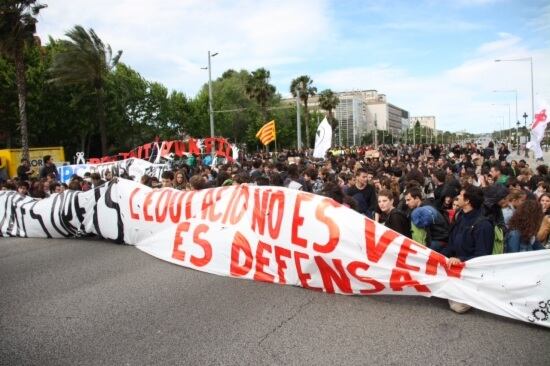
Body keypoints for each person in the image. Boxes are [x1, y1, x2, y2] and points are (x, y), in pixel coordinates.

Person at [442, 186, 494, 313]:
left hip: (469, 269)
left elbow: (482, 257)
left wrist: (460, 260)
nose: (458, 197)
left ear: (467, 201)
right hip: (454, 262)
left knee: (458, 307)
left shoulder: (483, 226)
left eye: (460, 195)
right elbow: (452, 242)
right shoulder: (461, 216)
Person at [405, 186, 449, 252]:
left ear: (417, 198)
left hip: (437, 241)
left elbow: (422, 227)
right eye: (406, 200)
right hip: (437, 240)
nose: (406, 203)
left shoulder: (424, 209)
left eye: (408, 200)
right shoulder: (424, 206)